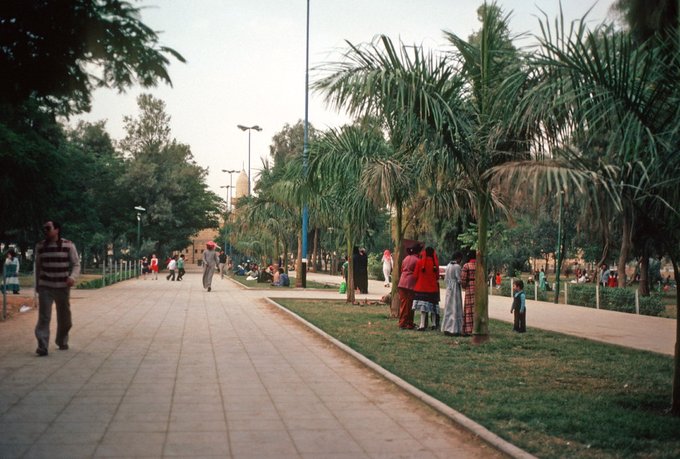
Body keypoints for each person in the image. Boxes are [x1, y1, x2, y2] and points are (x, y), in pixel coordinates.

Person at [34, 220, 80, 356]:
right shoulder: (40, 246)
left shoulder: (68, 245)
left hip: (62, 287)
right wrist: (37, 285)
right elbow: (38, 267)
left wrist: (72, 277)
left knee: (65, 317)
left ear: (57, 230)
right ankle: (42, 345)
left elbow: (76, 264)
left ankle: (62, 340)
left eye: (48, 228)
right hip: (45, 287)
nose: (46, 231)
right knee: (44, 317)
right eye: (44, 228)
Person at [412, 246, 440, 331]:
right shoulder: (435, 264)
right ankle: (434, 324)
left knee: (423, 308)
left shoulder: (420, 262)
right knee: (433, 307)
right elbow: (437, 276)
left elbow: (415, 276)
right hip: (433, 288)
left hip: (421, 288)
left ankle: (422, 325)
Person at [397, 245, 419, 329]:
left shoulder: (405, 259)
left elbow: (402, 269)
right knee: (410, 304)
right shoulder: (417, 260)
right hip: (410, 284)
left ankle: (402, 322)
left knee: (403, 304)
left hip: (402, 282)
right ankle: (408, 323)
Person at [442, 252, 463, 336]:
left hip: (448, 288)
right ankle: (454, 329)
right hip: (455, 289)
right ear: (458, 258)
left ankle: (447, 327)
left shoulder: (448, 266)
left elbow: (445, 279)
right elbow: (459, 279)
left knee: (448, 308)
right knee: (455, 308)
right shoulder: (457, 267)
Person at [460, 250, 476, 336]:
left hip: (469, 287)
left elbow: (463, 279)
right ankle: (476, 328)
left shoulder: (466, 266)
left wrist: (464, 286)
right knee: (476, 308)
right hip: (478, 287)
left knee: (469, 308)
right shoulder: (479, 265)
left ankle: (468, 329)